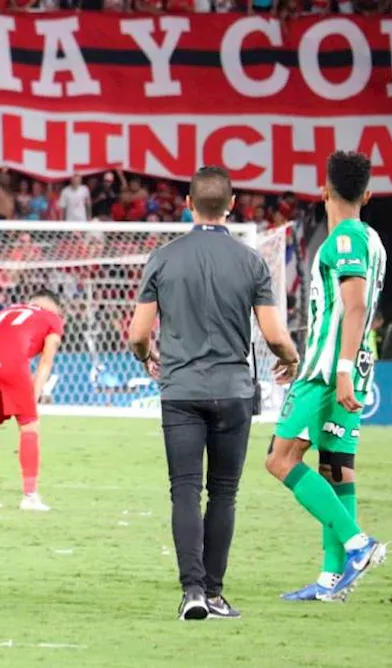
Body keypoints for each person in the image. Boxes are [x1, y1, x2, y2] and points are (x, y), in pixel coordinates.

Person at [128, 165, 300, 621]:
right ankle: (216, 592)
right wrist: (292, 358)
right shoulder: (251, 262)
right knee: (223, 492)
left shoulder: (163, 258)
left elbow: (138, 334)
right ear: (231, 205)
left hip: (180, 390)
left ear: (187, 205)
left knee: (184, 489)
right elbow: (274, 334)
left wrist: (146, 355)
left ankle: (192, 593)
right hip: (232, 391)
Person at [266, 151, 388, 603]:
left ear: (324, 190)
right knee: (336, 468)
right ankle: (332, 579)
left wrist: (335, 368)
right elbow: (340, 312)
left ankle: (357, 544)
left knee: (280, 460)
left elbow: (354, 308)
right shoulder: (372, 238)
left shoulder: (344, 238)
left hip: (330, 370)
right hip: (347, 365)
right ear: (368, 194)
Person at [0, 290, 65, 511]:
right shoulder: (53, 319)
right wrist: (35, 394)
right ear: (55, 308)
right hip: (11, 362)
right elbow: (46, 362)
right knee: (29, 425)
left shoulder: (7, 311)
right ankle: (30, 497)